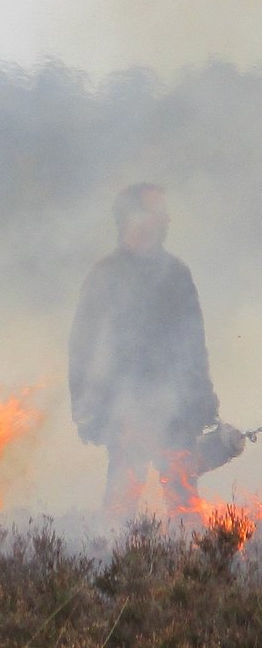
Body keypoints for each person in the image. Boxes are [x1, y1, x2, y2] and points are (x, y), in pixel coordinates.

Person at [69, 183, 220, 520]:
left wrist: (204, 398)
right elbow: (82, 344)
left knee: (184, 502)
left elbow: (194, 344)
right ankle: (117, 566)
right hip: (124, 411)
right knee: (121, 506)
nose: (166, 218)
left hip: (176, 408)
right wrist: (83, 405)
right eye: (156, 210)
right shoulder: (105, 276)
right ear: (130, 218)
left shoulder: (177, 275)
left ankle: (194, 568)